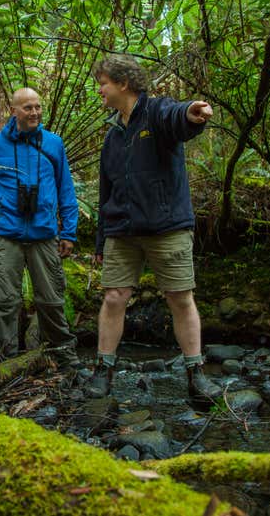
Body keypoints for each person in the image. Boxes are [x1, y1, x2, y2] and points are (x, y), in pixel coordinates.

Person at [87, 54, 222, 400]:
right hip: (122, 230)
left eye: (102, 83)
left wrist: (192, 113)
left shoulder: (157, 112)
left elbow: (177, 117)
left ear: (123, 83)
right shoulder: (113, 136)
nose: (99, 90)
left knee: (180, 297)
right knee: (115, 297)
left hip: (167, 227)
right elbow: (106, 193)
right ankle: (104, 370)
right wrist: (101, 243)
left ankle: (196, 372)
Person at [0, 88, 81, 368]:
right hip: (7, 236)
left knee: (50, 300)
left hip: (44, 235)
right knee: (4, 301)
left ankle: (64, 354)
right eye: (27, 108)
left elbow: (65, 189)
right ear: (13, 110)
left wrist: (69, 232)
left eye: (37, 107)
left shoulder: (53, 143)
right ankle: (5, 361)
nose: (34, 112)